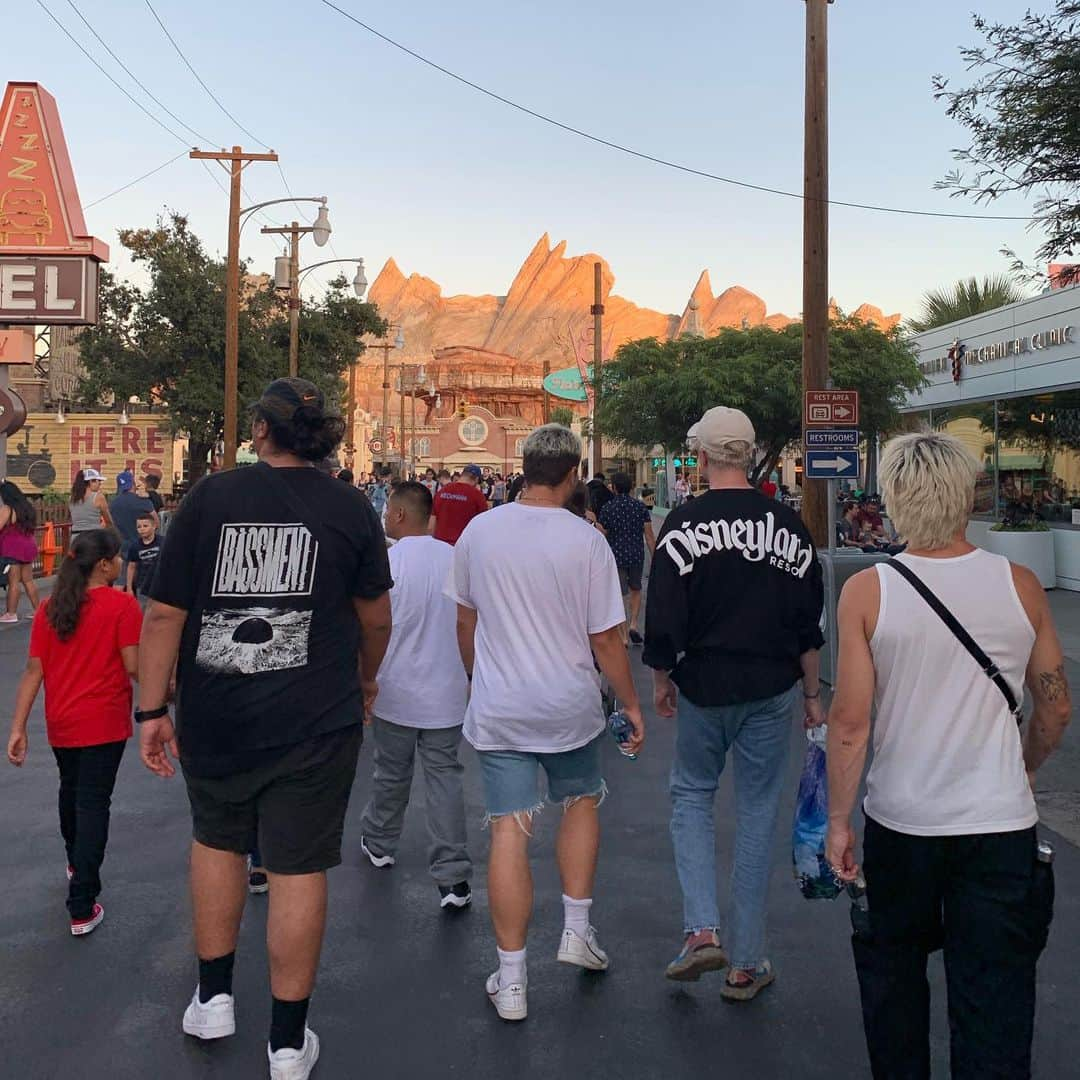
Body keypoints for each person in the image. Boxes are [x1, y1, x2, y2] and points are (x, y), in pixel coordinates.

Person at [136, 378, 393, 1078]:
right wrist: (367, 680)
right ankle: (286, 1044)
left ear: (260, 431)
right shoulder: (349, 507)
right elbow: (375, 618)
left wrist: (151, 710)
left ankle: (213, 999)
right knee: (299, 866)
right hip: (318, 719)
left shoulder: (210, 499)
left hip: (216, 714)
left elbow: (164, 615)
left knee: (217, 842)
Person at [826, 432, 1070, 1079]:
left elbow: (850, 724)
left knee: (894, 994)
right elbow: (1055, 708)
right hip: (998, 828)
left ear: (896, 501)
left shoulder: (869, 592)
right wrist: (1024, 766)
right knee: (994, 1007)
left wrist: (838, 822)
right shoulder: (1021, 586)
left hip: (902, 824)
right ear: (966, 498)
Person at [446, 424, 645, 1022]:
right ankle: (576, 932)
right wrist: (630, 704)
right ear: (573, 472)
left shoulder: (480, 532)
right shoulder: (586, 541)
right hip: (569, 706)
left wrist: (479, 679)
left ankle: (511, 981)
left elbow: (465, 625)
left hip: (501, 705)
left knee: (509, 829)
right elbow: (607, 640)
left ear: (525, 468)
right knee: (580, 803)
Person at [643, 406, 824, 999]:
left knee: (692, 795)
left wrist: (662, 677)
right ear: (748, 454)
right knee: (755, 811)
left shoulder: (683, 525)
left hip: (704, 685)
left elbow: (664, 617)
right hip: (772, 689)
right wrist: (813, 694)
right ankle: (746, 962)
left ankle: (701, 931)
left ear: (701, 456)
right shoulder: (790, 528)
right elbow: (807, 625)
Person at [6, 529, 141, 935]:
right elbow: (134, 667)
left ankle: (74, 863)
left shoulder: (51, 607)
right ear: (104, 564)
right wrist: (167, 695)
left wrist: (17, 728)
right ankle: (82, 902)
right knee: (94, 804)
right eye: (116, 557)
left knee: (71, 791)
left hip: (61, 721)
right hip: (104, 721)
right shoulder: (122, 606)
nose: (119, 563)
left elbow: (34, 671)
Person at [358, 482, 472, 908]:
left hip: (395, 691)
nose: (386, 517)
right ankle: (453, 876)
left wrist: (364, 680)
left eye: (389, 510)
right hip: (447, 694)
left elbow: (372, 626)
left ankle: (381, 841)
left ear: (401, 515)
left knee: (391, 773)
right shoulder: (456, 562)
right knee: (445, 779)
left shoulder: (386, 564)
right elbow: (470, 623)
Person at [598, 472, 656, 646]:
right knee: (636, 590)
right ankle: (634, 625)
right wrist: (656, 559)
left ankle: (623, 636)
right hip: (636, 555)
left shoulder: (607, 508)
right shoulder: (640, 507)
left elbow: (601, 534)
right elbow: (649, 536)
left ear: (614, 488)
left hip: (616, 556)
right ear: (631, 487)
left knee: (619, 594)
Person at [1, 481, 40, 623]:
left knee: (13, 582)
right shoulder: (27, 507)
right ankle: (38, 610)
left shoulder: (8, 508)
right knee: (28, 580)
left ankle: (11, 613)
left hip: (13, 548)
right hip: (28, 546)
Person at [111, 472, 157, 586]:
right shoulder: (143, 501)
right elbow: (156, 522)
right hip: (142, 546)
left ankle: (119, 603)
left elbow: (110, 524)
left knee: (120, 581)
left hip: (122, 546)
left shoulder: (113, 503)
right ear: (133, 484)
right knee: (142, 582)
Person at [431, 463, 488, 545]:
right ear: (476, 479)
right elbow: (482, 525)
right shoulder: (478, 496)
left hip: (440, 544)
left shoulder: (441, 492)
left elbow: (432, 523)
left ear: (462, 475)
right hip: (463, 546)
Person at [124, 513, 162, 603]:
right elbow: (131, 567)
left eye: (145, 526)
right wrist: (129, 588)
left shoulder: (163, 542)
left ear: (154, 526)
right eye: (139, 527)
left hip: (160, 584)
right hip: (142, 585)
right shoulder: (135, 546)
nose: (142, 529)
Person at [69, 469, 113, 541]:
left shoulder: (72, 498)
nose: (100, 483)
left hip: (75, 538)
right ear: (90, 481)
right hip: (93, 538)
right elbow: (109, 522)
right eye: (98, 480)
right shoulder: (98, 497)